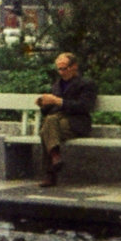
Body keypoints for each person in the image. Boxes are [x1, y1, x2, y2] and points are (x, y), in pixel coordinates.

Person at [34, 52, 97, 187]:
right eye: (59, 69)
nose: (62, 72)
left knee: (47, 128)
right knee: (49, 123)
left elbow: (84, 106)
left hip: (76, 123)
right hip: (57, 122)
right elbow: (50, 111)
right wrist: (43, 105)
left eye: (65, 68)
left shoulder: (87, 84)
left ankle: (51, 174)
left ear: (74, 66)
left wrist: (58, 101)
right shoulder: (56, 85)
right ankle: (55, 157)